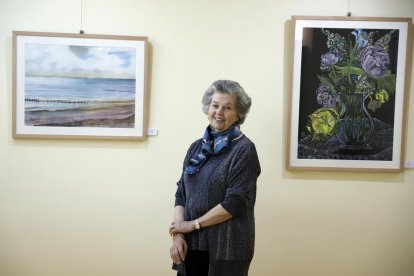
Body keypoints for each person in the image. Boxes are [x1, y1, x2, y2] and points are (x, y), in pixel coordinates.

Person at [169, 80, 261, 276]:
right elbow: (181, 193)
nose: (219, 112)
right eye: (215, 105)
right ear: (208, 107)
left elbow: (236, 202)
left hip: (226, 248)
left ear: (239, 114)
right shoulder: (196, 147)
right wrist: (178, 234)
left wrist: (192, 225)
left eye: (228, 108)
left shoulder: (244, 149)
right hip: (191, 245)